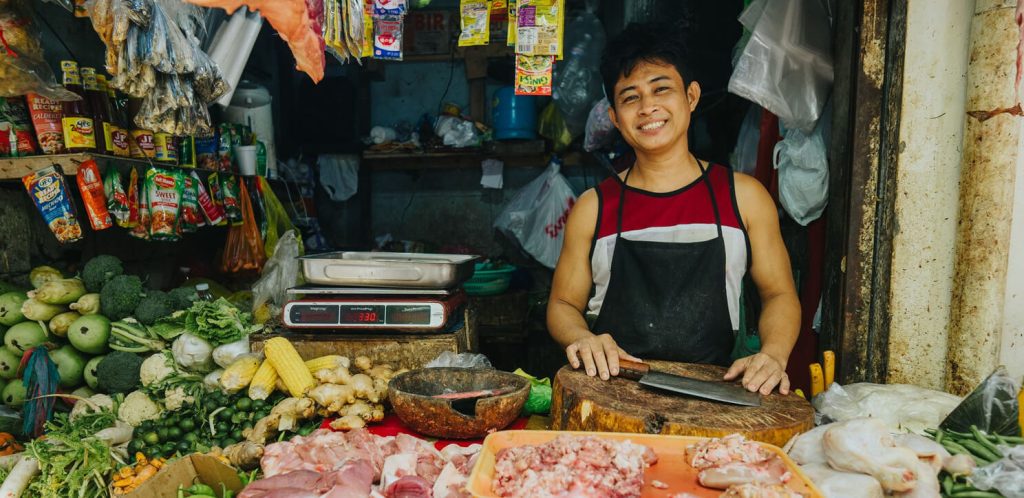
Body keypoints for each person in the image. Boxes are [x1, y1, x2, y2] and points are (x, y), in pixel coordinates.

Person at [546, 21, 800, 395]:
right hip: (612, 393)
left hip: (718, 395)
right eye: (630, 97)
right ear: (615, 117)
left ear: (691, 97)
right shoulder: (593, 207)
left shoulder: (743, 197)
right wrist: (582, 337)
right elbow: (563, 303)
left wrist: (774, 355)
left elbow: (779, 294)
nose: (648, 107)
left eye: (661, 89)